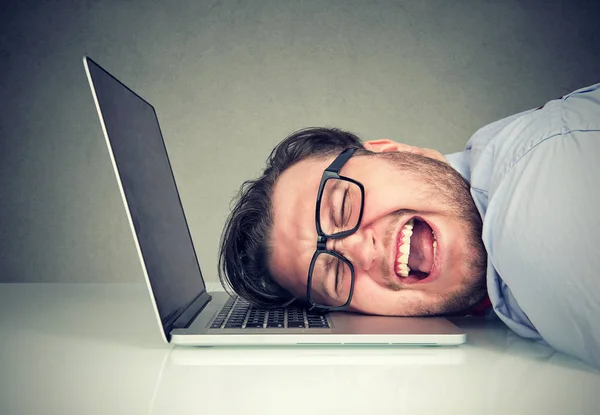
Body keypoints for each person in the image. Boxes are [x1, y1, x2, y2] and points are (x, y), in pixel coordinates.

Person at [218, 83, 600, 367]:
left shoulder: (531, 219)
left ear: (392, 151)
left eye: (342, 207)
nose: (360, 251)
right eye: (334, 276)